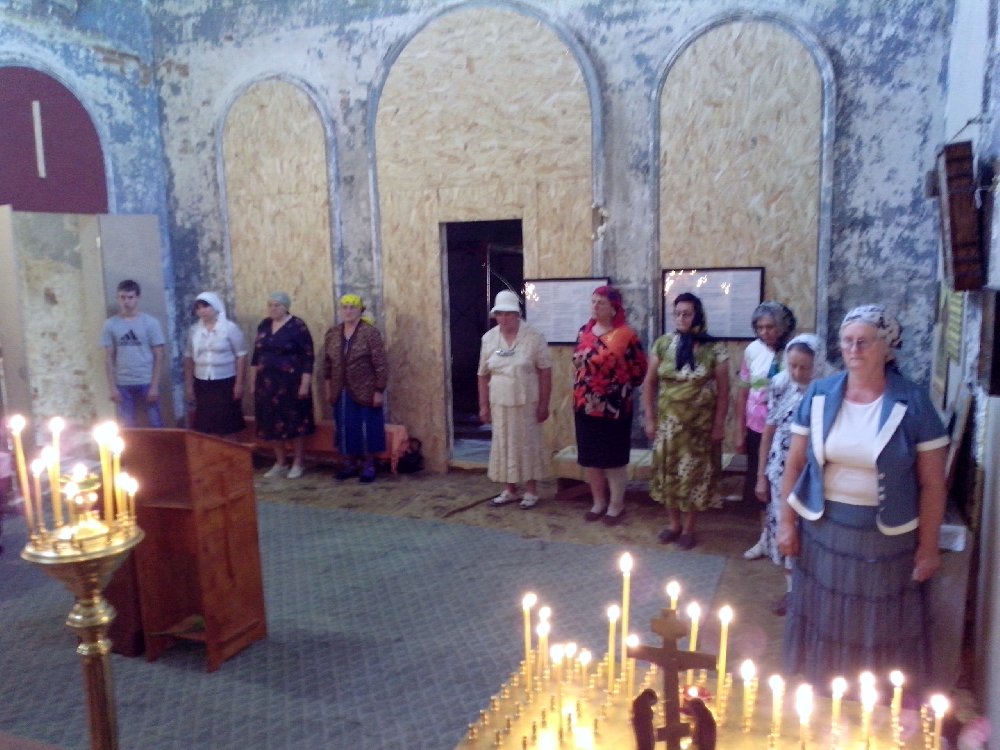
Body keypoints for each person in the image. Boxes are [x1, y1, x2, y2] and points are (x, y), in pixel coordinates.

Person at [777, 305, 949, 686]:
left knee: (876, 622)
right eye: (847, 341)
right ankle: (823, 690)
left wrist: (928, 548)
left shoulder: (914, 402)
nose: (853, 349)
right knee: (825, 615)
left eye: (864, 342)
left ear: (886, 347)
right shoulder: (820, 394)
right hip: (823, 530)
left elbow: (933, 484)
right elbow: (794, 465)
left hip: (885, 538)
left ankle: (872, 700)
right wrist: (786, 523)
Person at [642, 292, 729, 550]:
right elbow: (649, 383)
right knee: (669, 474)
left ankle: (689, 528)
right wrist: (650, 418)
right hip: (668, 427)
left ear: (697, 316)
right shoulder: (663, 344)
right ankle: (673, 525)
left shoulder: (715, 348)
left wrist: (719, 424)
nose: (681, 318)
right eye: (678, 313)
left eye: (687, 314)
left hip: (699, 428)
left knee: (694, 476)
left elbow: (724, 391)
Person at [753, 334, 830, 615]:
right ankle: (792, 593)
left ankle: (816, 593)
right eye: (792, 365)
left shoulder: (831, 388)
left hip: (816, 475)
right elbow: (769, 430)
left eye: (804, 367)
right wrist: (761, 475)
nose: (797, 373)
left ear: (817, 364)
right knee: (786, 532)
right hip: (780, 471)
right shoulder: (780, 384)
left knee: (813, 534)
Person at [571, 285, 647, 525]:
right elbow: (577, 363)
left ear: (614, 308)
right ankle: (598, 502)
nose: (595, 306)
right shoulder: (584, 331)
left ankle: (616, 505)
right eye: (593, 301)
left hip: (615, 407)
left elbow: (639, 370)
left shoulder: (626, 335)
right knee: (591, 458)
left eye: (601, 302)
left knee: (613, 458)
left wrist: (615, 386)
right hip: (585, 405)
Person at [478, 289, 552, 509]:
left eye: (509, 314)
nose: (504, 318)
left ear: (517, 314)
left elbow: (545, 371)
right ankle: (509, 490)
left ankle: (531, 491)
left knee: (527, 444)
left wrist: (544, 404)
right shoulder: (489, 339)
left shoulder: (534, 337)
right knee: (503, 444)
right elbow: (482, 374)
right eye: (500, 314)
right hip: (500, 403)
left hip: (526, 403)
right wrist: (483, 406)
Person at [738, 301, 796, 560]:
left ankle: (787, 536)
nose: (765, 332)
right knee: (760, 483)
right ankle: (764, 537)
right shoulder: (752, 350)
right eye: (760, 327)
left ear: (782, 327)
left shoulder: (796, 350)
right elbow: (743, 390)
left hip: (787, 431)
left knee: (785, 483)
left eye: (770, 327)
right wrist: (739, 429)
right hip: (757, 428)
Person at [250, 292, 316, 479]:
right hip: (266, 384)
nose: (273, 308)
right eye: (270, 305)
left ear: (286, 307)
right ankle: (280, 462)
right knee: (271, 423)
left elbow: (308, 357)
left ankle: (298, 462)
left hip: (291, 384)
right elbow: (256, 355)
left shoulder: (297, 326)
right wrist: (253, 382)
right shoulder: (264, 324)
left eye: (277, 305)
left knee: (295, 422)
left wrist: (305, 383)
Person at [323, 294, 388, 483]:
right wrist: (328, 388)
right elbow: (327, 364)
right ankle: (349, 464)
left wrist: (379, 390)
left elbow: (380, 364)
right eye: (345, 307)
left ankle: (369, 466)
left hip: (366, 390)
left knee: (367, 427)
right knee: (345, 427)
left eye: (353, 307)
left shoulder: (370, 333)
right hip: (340, 390)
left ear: (361, 310)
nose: (348, 311)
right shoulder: (332, 333)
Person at [100, 279, 166, 427]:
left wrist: (155, 385)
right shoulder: (110, 324)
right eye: (122, 297)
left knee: (155, 423)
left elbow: (159, 355)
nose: (126, 302)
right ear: (118, 298)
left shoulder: (150, 323)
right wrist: (112, 387)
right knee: (127, 426)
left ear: (137, 297)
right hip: (123, 382)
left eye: (130, 297)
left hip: (146, 380)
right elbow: (108, 358)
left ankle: (159, 444)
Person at [183, 291, 247, 439]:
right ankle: (213, 453)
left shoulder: (229, 328)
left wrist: (239, 384)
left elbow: (241, 355)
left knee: (228, 423)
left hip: (226, 382)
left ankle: (231, 452)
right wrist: (189, 385)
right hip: (203, 383)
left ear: (215, 306)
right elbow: (188, 357)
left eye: (205, 306)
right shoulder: (194, 330)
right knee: (207, 424)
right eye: (198, 308)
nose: (202, 311)